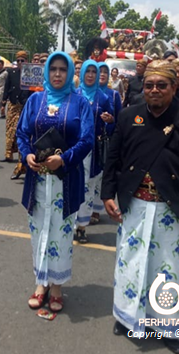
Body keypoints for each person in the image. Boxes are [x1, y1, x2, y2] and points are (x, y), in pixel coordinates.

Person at [101, 60, 179, 354]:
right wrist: (107, 194)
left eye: (161, 85)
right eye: (150, 85)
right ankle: (127, 318)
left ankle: (168, 326)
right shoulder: (129, 117)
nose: (154, 90)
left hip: (171, 208)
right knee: (130, 264)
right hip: (134, 204)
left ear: (173, 87)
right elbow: (113, 158)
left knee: (169, 270)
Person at [16, 51, 94, 312]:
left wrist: (64, 159)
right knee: (39, 231)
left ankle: (57, 285)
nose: (58, 74)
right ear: (47, 72)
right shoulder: (35, 100)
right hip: (37, 180)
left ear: (70, 73)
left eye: (62, 69)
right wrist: (26, 154)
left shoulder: (80, 103)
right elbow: (22, 132)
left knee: (61, 234)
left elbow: (87, 140)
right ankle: (41, 283)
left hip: (66, 180)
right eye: (53, 69)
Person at [75, 60, 113, 243]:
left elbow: (113, 121)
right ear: (82, 73)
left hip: (94, 151)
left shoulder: (103, 98)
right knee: (73, 185)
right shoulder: (74, 94)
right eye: (87, 71)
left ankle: (82, 226)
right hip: (75, 149)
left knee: (88, 187)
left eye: (93, 72)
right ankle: (69, 224)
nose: (90, 75)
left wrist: (109, 119)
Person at [1, 50, 30, 180]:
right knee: (10, 130)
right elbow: (7, 87)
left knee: (22, 133)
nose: (19, 63)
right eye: (18, 60)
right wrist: (3, 101)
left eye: (22, 60)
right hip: (13, 105)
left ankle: (21, 164)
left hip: (25, 107)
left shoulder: (31, 74)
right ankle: (8, 154)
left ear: (26, 61)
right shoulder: (11, 73)